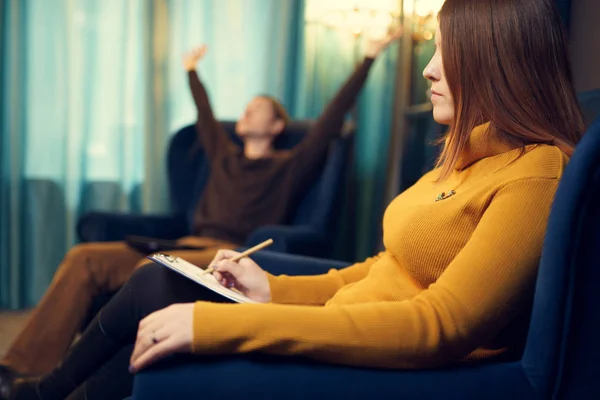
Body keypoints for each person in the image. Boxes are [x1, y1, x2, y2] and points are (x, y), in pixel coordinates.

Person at [1, 0, 587, 398]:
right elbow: (381, 269)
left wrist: (225, 325)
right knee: (156, 277)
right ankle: (46, 390)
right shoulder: (459, 162)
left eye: (445, 50)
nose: (430, 69)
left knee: (166, 299)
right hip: (339, 315)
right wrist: (272, 289)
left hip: (390, 355)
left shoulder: (535, 174)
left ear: (495, 59)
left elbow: (440, 325)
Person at [0, 31, 401, 381]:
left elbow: (331, 120)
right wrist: (191, 71)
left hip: (226, 250)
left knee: (146, 274)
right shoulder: (223, 154)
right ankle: (21, 368)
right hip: (182, 240)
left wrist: (367, 57)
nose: (246, 110)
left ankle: (77, 376)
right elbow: (205, 115)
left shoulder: (290, 167)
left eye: (257, 107)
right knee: (84, 258)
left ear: (278, 126)